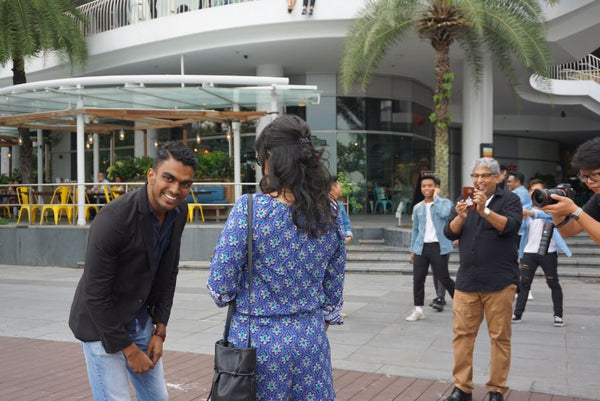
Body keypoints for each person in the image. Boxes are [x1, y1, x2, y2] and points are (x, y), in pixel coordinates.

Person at [207, 115, 345, 401]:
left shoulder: (250, 209)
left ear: (271, 159)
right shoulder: (330, 212)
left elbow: (220, 288)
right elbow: (333, 293)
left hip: (256, 347)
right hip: (311, 341)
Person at [69, 141, 197, 401]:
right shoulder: (114, 219)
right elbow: (95, 295)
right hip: (100, 326)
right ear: (151, 175)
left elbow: (168, 272)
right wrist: (129, 351)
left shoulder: (178, 212)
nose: (175, 190)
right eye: (168, 178)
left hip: (140, 320)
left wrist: (159, 330)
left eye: (185, 184)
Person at [443, 157, 522, 401]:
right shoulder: (464, 199)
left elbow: (510, 226)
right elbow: (449, 231)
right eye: (475, 176)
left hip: (500, 282)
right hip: (467, 280)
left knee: (499, 338)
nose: (479, 181)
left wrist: (484, 210)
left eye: (484, 176)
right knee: (463, 336)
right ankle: (462, 388)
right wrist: (461, 217)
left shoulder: (510, 199)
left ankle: (496, 389)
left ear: (497, 178)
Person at [512, 179, 571, 326]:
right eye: (532, 191)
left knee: (553, 283)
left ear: (545, 193)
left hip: (548, 251)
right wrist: (523, 218)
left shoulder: (552, 208)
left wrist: (532, 213)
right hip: (528, 251)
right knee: (523, 284)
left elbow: (551, 219)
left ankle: (558, 315)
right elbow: (519, 229)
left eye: (538, 190)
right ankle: (517, 314)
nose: (534, 193)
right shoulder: (524, 207)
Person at [406, 174, 455, 321]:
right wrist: (413, 249)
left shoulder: (445, 203)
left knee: (444, 277)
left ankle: (461, 303)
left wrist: (437, 198)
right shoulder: (418, 207)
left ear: (436, 187)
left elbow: (445, 214)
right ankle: (418, 309)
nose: (426, 188)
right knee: (418, 279)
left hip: (438, 246)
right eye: (423, 186)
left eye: (430, 185)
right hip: (421, 247)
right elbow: (415, 230)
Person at [542, 136, 600, 246]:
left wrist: (575, 211)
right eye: (584, 177)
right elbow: (569, 231)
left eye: (595, 175)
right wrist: (556, 209)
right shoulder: (598, 197)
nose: (589, 182)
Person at [507, 171, 534, 300]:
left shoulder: (518, 194)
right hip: (519, 230)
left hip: (520, 231)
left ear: (517, 182)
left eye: (509, 181)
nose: (507, 184)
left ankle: (523, 288)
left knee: (518, 259)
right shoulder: (520, 193)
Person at [330, 176, 353, 244]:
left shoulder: (340, 205)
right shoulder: (323, 206)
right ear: (333, 187)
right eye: (339, 186)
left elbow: (346, 222)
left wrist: (349, 236)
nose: (341, 188)